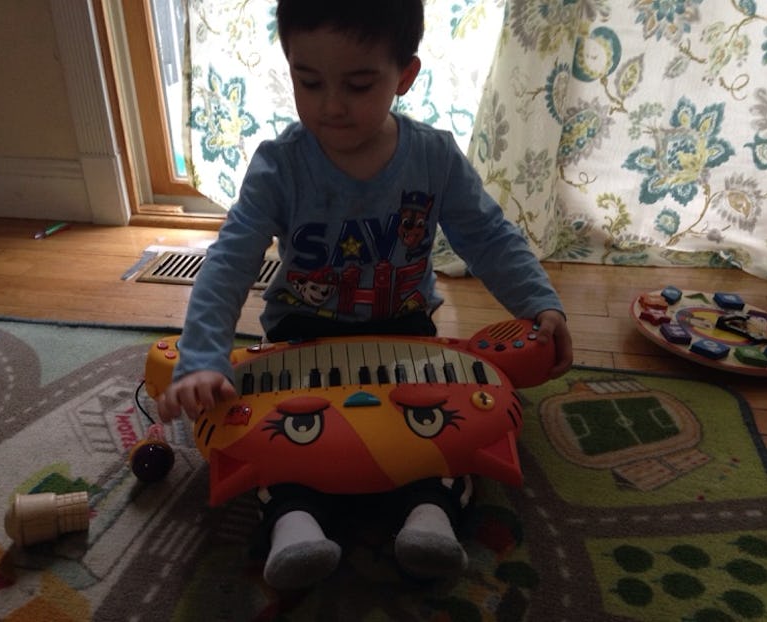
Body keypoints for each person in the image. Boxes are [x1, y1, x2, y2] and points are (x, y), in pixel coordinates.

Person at [157, 0, 573, 590]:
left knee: (445, 433)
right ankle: (294, 524)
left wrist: (539, 304)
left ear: (404, 75)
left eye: (357, 84)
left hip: (404, 333)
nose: (330, 105)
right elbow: (229, 261)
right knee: (277, 443)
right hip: (300, 335)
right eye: (308, 81)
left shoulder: (433, 157)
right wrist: (201, 357)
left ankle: (429, 516)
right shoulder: (279, 165)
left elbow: (487, 235)